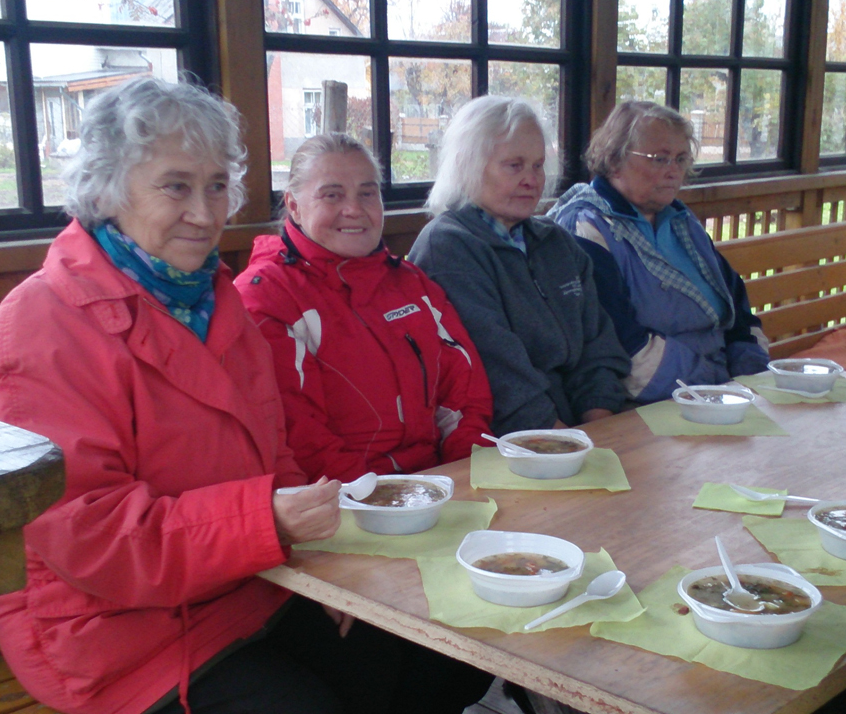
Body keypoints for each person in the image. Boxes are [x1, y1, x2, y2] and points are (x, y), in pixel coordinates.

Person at [0, 78, 486, 714]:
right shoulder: (44, 320)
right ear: (107, 188)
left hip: (243, 582)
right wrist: (267, 523)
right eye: (176, 186)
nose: (204, 212)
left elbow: (272, 451)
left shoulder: (210, 298)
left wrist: (316, 563)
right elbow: (89, 537)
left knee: (398, 658)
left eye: (217, 186)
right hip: (111, 624)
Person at [235, 134, 494, 480]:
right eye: (332, 195)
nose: (354, 209)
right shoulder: (267, 297)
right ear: (294, 206)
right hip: (343, 497)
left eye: (367, 193)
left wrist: (465, 474)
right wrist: (382, 497)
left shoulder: (411, 284)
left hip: (439, 484)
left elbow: (465, 392)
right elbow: (300, 435)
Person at [407, 96, 631, 435]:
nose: (531, 179)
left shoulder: (555, 241)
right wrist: (567, 442)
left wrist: (601, 429)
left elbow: (598, 347)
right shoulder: (448, 247)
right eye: (514, 165)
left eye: (537, 166)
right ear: (468, 166)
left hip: (581, 429)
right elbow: (498, 374)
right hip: (508, 439)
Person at [546, 101, 769, 403]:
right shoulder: (586, 227)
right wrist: (718, 384)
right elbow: (621, 345)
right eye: (660, 159)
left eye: (681, 159)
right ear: (614, 160)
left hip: (722, 389)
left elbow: (736, 309)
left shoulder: (681, 220)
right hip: (651, 399)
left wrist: (751, 376)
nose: (673, 171)